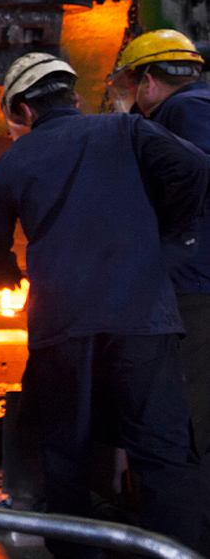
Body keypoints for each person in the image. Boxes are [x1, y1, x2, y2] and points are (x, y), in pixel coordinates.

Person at [0, 52, 209, 558]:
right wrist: (167, 234)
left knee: (65, 452)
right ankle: (173, 550)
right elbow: (193, 168)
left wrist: (6, 276)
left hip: (63, 326)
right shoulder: (128, 130)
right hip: (143, 317)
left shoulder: (15, 158)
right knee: (163, 454)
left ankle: (76, 552)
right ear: (74, 98)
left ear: (23, 110)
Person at [107, 28, 210, 551]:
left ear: (147, 80)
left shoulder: (182, 113)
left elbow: (195, 176)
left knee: (189, 424)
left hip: (196, 291)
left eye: (130, 85)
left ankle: (187, 542)